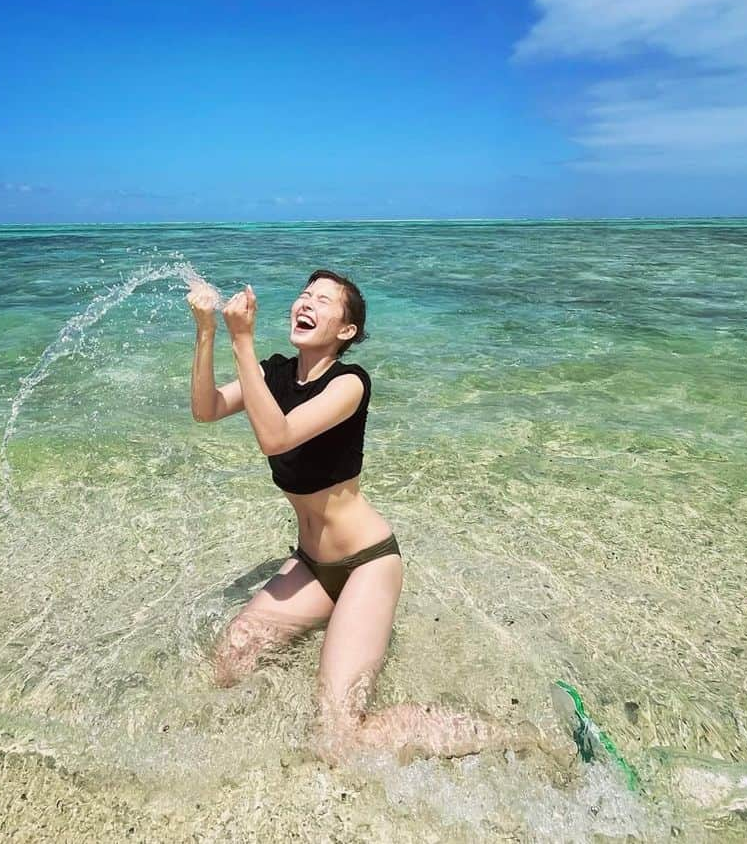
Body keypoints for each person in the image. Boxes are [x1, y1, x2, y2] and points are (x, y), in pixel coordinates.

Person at [187, 269, 555, 768]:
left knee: (339, 737)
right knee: (229, 662)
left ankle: (523, 734)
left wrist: (242, 339)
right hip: (311, 565)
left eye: (323, 299)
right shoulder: (272, 374)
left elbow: (277, 436)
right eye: (304, 294)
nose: (306, 302)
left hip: (366, 564)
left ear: (347, 331)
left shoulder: (349, 384)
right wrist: (207, 331)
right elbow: (206, 409)